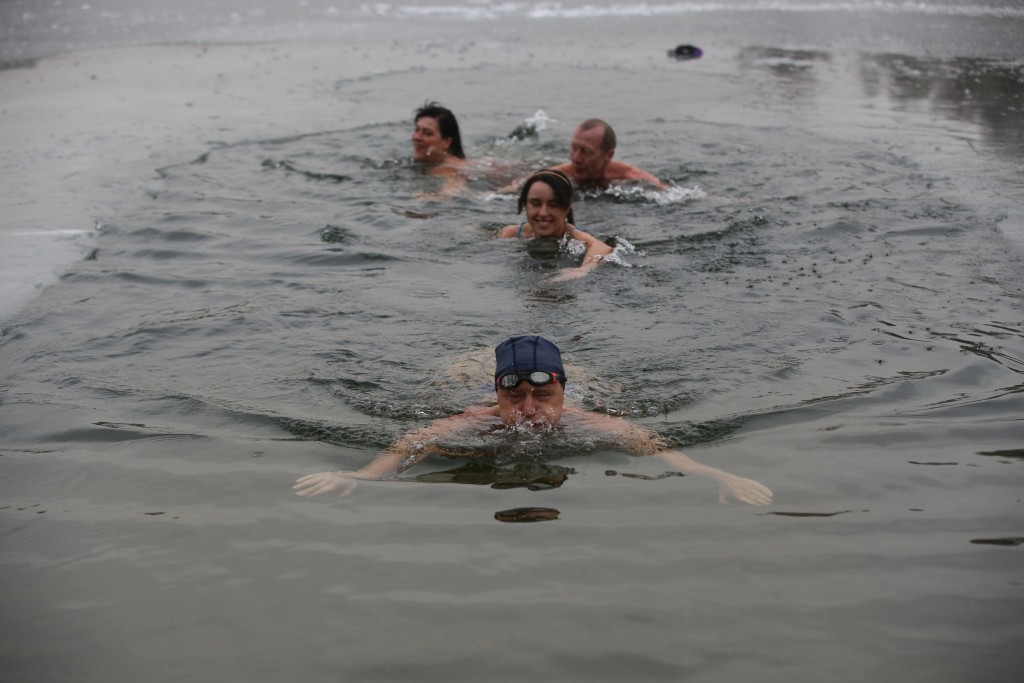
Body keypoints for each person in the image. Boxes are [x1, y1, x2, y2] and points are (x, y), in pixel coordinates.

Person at [294, 336, 773, 505]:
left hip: (581, 382)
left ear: (562, 393)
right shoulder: (474, 419)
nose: (528, 410)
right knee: (449, 376)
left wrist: (719, 474)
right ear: (498, 394)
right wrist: (357, 476)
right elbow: (412, 442)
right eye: (516, 396)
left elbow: (651, 445)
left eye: (544, 396)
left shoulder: (590, 420)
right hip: (469, 379)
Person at [496, 169, 612, 282]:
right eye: (535, 203)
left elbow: (603, 248)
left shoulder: (573, 236)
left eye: (553, 204)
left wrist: (583, 270)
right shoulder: (510, 233)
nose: (543, 213)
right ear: (525, 204)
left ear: (567, 207)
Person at [551, 118, 665, 189]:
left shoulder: (632, 177)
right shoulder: (557, 176)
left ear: (608, 155)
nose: (575, 158)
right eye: (573, 148)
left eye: (585, 152)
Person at [411, 101, 467, 196]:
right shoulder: (428, 161)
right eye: (417, 130)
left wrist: (429, 198)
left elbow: (452, 193)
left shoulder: (448, 169)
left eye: (427, 133)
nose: (417, 137)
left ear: (446, 142)